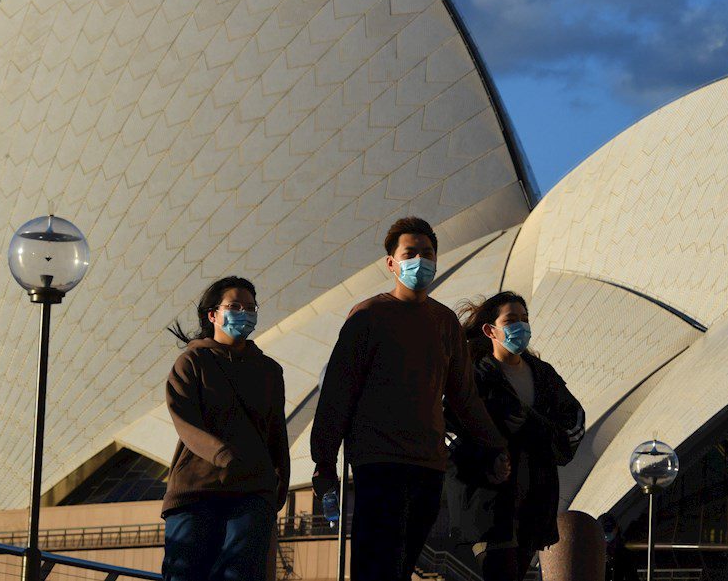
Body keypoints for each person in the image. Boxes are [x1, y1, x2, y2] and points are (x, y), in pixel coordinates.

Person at [310, 217, 510, 581]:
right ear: (391, 263)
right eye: (410, 253)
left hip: (428, 467)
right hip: (378, 462)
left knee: (402, 567)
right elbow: (338, 393)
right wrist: (323, 462)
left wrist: (495, 447)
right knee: (376, 567)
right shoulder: (368, 316)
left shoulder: (445, 322)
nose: (420, 261)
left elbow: (465, 397)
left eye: (428, 253)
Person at [446, 291, 586, 581]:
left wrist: (534, 424)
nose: (520, 327)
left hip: (533, 502)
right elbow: (446, 434)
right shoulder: (472, 378)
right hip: (489, 505)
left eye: (524, 319)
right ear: (490, 330)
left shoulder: (543, 375)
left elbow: (573, 423)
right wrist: (486, 462)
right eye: (511, 320)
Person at [160, 276, 289, 581]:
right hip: (196, 489)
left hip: (252, 490)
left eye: (250, 307)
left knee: (241, 572)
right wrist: (221, 454)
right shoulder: (192, 361)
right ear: (213, 314)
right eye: (234, 306)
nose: (243, 312)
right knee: (185, 573)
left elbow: (275, 430)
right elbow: (184, 419)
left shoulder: (269, 371)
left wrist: (279, 481)